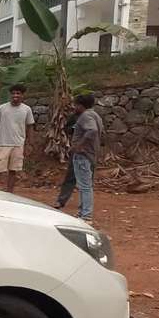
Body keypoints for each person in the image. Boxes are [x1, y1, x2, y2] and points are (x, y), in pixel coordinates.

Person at [54, 94, 104, 223]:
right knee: (86, 185)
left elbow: (91, 131)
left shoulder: (85, 116)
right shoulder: (95, 115)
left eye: (75, 105)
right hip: (91, 154)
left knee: (85, 186)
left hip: (83, 155)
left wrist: (78, 145)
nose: (74, 107)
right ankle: (83, 212)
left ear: (81, 106)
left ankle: (86, 215)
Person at [0, 84, 35, 193]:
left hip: (18, 145)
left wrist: (30, 144)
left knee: (13, 171)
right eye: (13, 93)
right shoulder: (2, 108)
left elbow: (30, 126)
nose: (15, 95)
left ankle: (9, 193)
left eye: (18, 93)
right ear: (10, 95)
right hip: (4, 144)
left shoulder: (27, 109)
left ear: (22, 95)